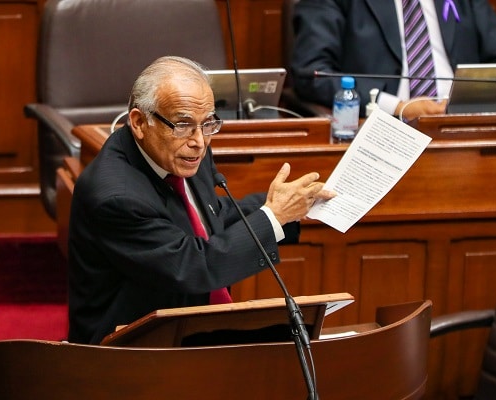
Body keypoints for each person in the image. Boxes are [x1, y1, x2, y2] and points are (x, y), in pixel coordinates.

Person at [67, 56, 336, 344]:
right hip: (126, 348)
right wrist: (274, 217)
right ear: (139, 122)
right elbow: (193, 265)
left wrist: (288, 206)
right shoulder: (115, 196)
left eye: (208, 123)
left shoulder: (185, 151)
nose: (199, 141)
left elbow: (211, 216)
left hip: (188, 326)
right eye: (183, 124)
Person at [291, 0, 496, 121]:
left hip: (463, 124)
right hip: (383, 128)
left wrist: (466, 101)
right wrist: (398, 107)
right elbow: (312, 73)